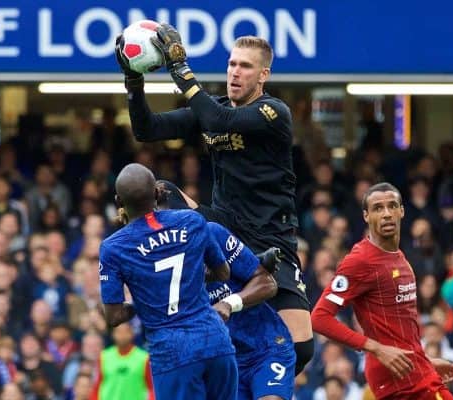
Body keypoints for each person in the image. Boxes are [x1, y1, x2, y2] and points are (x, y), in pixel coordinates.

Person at [116, 25, 313, 373]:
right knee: (159, 190)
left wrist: (180, 70)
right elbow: (146, 130)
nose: (236, 72)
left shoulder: (273, 112)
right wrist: (133, 81)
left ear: (263, 75)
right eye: (232, 64)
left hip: (271, 235)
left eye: (246, 66)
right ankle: (170, 278)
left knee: (302, 348)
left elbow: (220, 120)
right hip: (223, 225)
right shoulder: (212, 108)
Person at [99, 163, 237, 400]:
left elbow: (113, 317)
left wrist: (143, 303)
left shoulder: (113, 247)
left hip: (173, 354)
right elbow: (223, 272)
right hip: (216, 342)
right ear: (156, 193)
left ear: (118, 201)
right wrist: (190, 280)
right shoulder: (192, 221)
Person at [311, 183, 453, 399]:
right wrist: (376, 348)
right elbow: (319, 318)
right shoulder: (360, 261)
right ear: (365, 216)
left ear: (402, 211)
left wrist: (424, 361)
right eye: (378, 208)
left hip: (415, 370)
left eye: (392, 206)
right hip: (396, 378)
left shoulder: (400, 256)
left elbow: (400, 331)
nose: (387, 214)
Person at [156, 179, 295, 400]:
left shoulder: (212, 233)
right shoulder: (157, 266)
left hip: (266, 347)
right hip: (225, 360)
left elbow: (267, 284)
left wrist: (229, 303)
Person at [91, 323, 154, 400]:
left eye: (126, 332)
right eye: (118, 332)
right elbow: (97, 385)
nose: (122, 335)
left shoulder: (143, 358)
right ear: (113, 335)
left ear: (132, 334)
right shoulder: (103, 356)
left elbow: (151, 387)